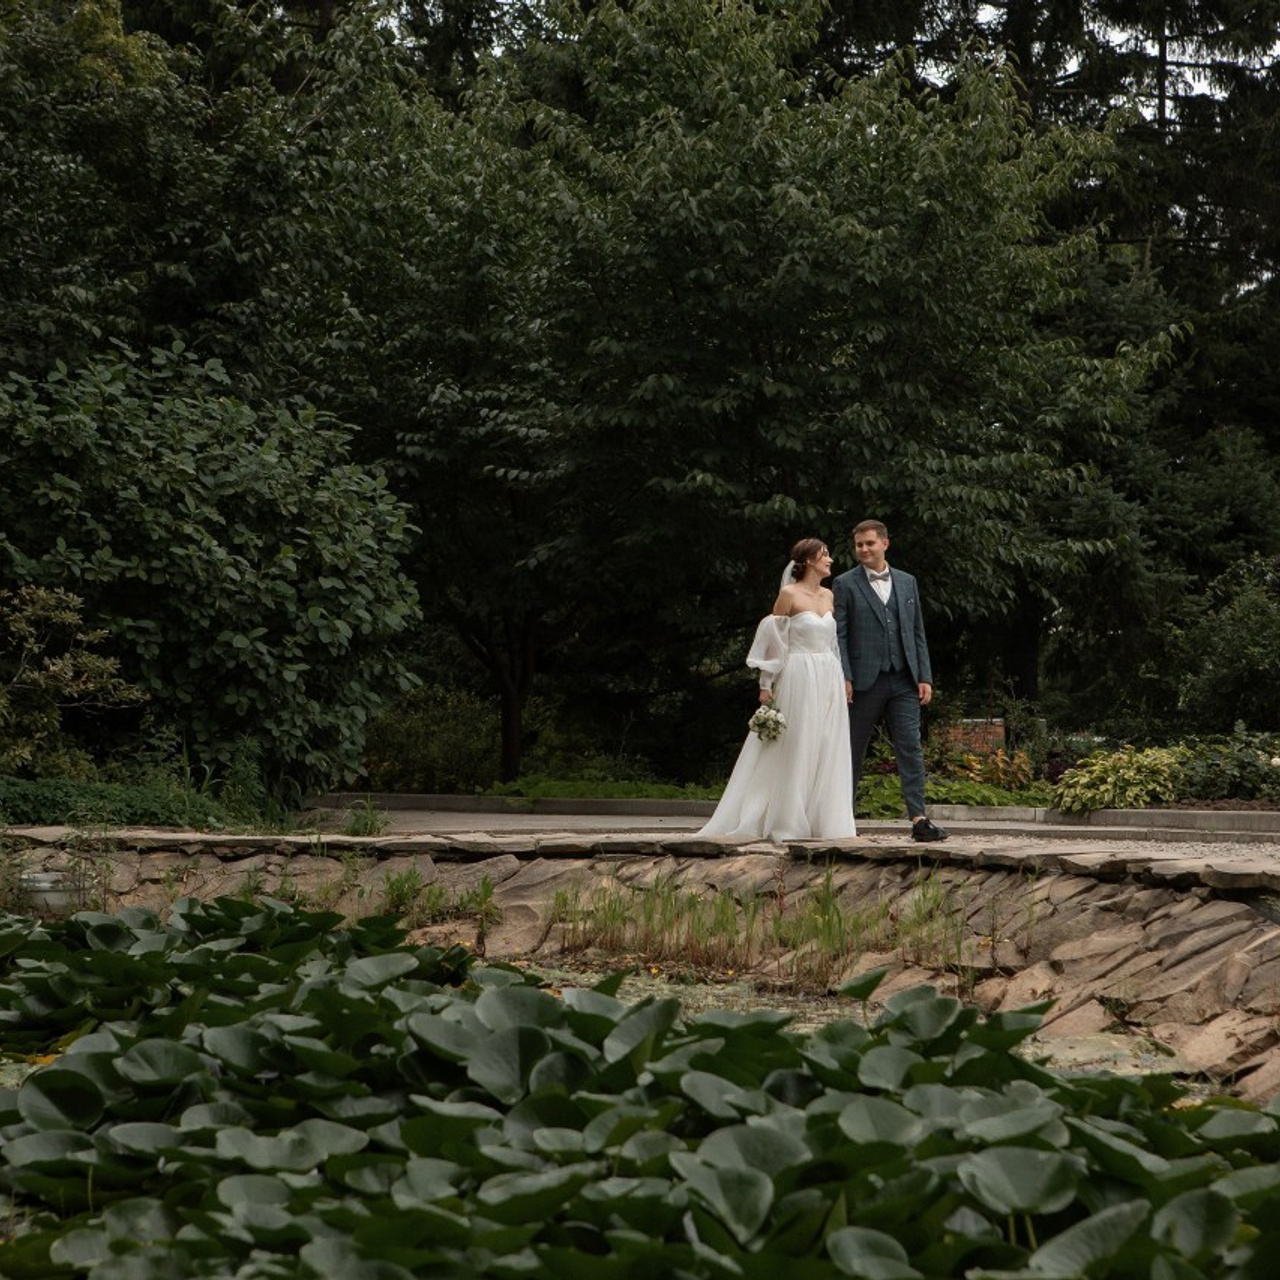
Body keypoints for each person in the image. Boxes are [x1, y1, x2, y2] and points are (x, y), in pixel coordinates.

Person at [697, 538, 856, 842]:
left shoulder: (829, 595)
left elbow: (833, 643)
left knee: (825, 741)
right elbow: (774, 642)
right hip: (799, 673)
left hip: (828, 674)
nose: (830, 560)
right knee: (797, 741)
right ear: (808, 560)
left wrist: (843, 678)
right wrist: (765, 684)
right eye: (824, 555)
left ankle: (821, 818)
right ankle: (786, 817)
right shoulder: (789, 595)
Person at [832, 519, 947, 842]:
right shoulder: (844, 583)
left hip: (904, 679)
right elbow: (839, 634)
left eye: (869, 543)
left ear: (885, 543)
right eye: (859, 545)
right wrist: (844, 675)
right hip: (863, 680)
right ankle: (842, 818)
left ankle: (919, 819)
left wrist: (924, 675)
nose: (863, 549)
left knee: (910, 747)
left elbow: (917, 631)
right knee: (853, 749)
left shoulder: (908, 582)